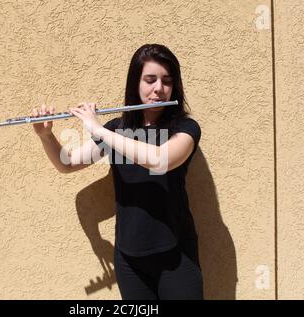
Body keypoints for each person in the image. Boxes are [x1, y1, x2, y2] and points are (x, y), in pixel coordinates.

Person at [31, 44, 203, 300]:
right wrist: (46, 135)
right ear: (136, 83)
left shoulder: (185, 128)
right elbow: (66, 164)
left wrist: (99, 131)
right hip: (129, 259)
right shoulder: (117, 128)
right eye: (150, 79)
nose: (159, 88)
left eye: (167, 81)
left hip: (175, 255)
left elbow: (160, 161)